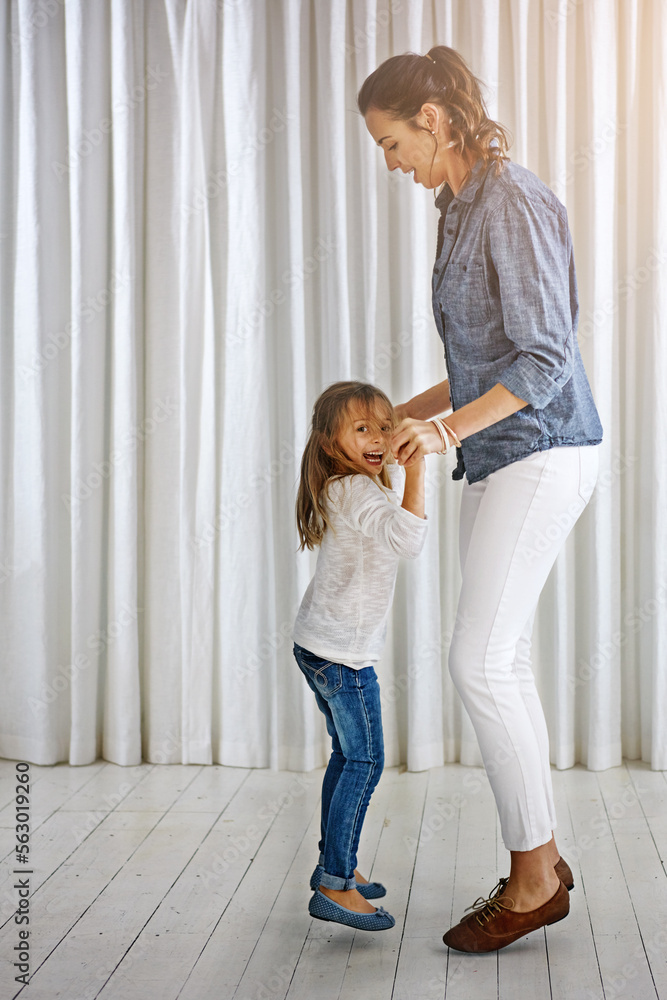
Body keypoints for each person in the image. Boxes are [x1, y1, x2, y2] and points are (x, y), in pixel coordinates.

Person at [358, 46, 603, 953]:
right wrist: (394, 419)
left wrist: (446, 434)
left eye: (388, 142)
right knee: (499, 661)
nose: (387, 162)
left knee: (477, 661)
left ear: (430, 119)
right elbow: (479, 366)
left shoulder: (514, 200)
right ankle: (541, 862)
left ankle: (534, 877)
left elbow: (542, 361)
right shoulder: (454, 207)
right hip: (496, 453)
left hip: (542, 450)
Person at [293, 380, 428, 931]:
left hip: (319, 645)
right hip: (344, 659)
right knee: (366, 761)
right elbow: (408, 539)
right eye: (362, 428)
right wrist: (418, 470)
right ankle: (334, 883)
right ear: (332, 443)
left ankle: (335, 864)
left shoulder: (347, 484)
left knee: (347, 758)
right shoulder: (356, 490)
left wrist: (404, 444)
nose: (377, 437)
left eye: (382, 425)